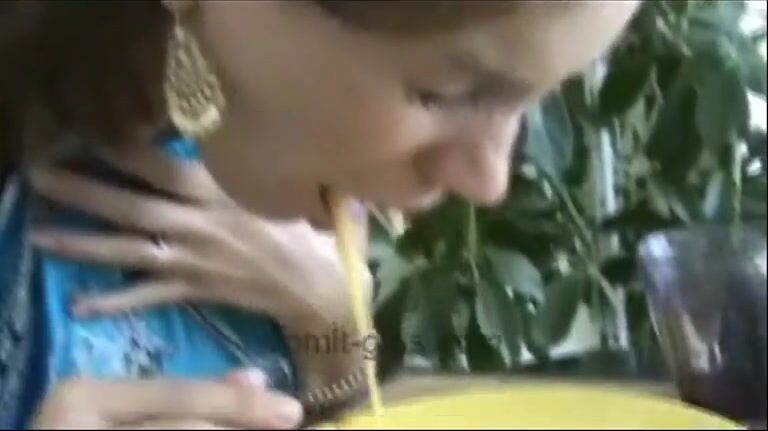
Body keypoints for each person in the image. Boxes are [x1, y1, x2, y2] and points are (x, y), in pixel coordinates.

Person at [0, 1, 641, 428]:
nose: (490, 181)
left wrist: (334, 337)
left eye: (539, 96)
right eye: (445, 93)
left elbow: (341, 408)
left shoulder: (265, 155)